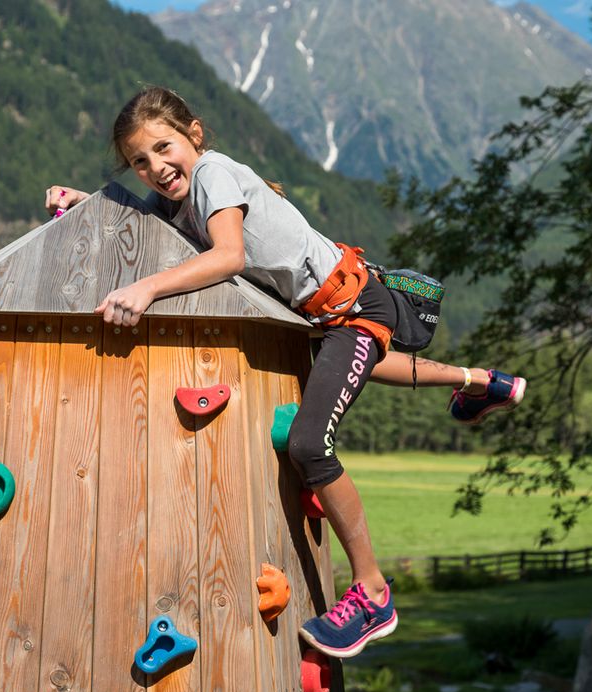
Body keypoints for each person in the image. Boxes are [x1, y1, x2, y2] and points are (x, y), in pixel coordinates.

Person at [43, 86, 526, 659]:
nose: (154, 168)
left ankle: (373, 594)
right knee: (363, 364)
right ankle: (481, 383)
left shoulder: (213, 175)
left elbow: (228, 257)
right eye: (139, 161)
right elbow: (143, 218)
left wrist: (144, 289)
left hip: (351, 309)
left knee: (308, 445)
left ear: (193, 134)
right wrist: (87, 202)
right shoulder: (180, 198)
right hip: (332, 315)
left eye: (162, 148)